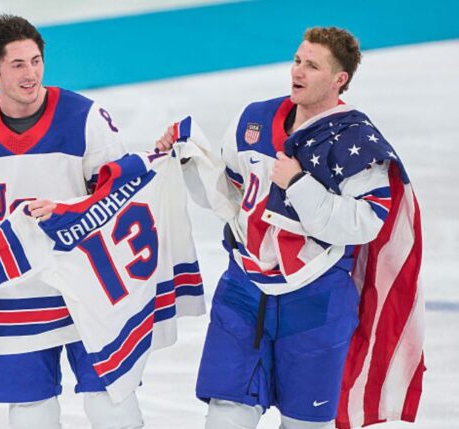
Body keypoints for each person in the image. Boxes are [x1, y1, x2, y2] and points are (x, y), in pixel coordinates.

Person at [156, 27, 423, 428]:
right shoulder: (254, 119)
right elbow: (229, 197)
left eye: (312, 66)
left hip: (316, 300)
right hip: (242, 291)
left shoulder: (357, 143)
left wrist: (299, 185)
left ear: (339, 80)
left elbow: (366, 223)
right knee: (225, 416)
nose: (297, 71)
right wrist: (188, 161)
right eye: (298, 60)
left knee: (304, 424)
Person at [0, 14, 144, 429]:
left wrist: (71, 215)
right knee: (31, 416)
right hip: (13, 296)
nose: (30, 74)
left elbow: (123, 198)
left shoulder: (85, 118)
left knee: (112, 407)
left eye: (35, 61)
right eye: (17, 65)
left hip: (88, 289)